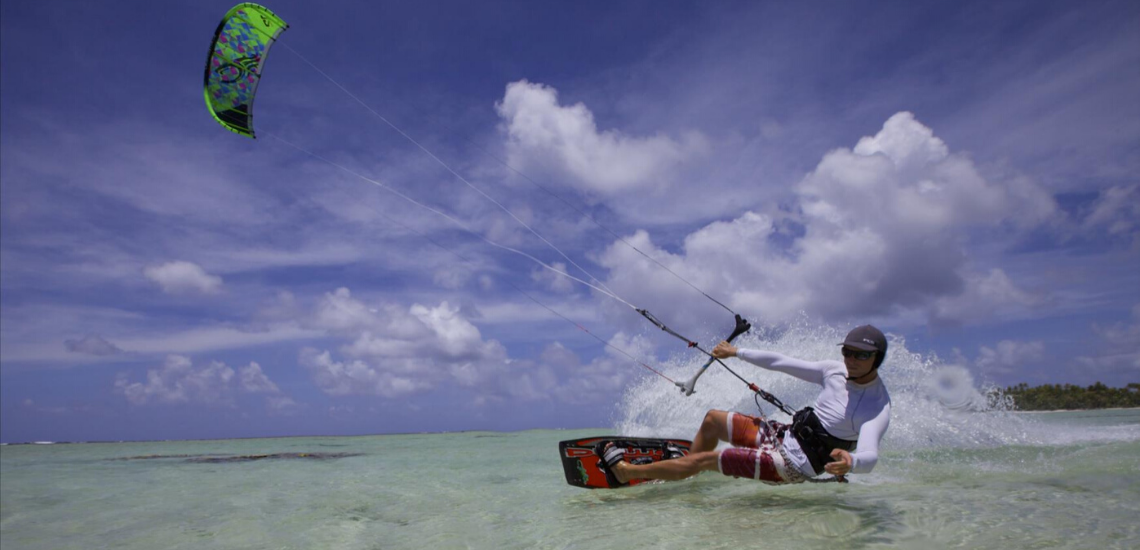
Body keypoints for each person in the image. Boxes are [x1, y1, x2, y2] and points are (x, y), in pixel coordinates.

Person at [599, 325, 892, 486]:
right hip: (782, 436)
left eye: (861, 355)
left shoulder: (877, 406)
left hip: (790, 466)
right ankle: (685, 473)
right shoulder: (833, 371)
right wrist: (736, 352)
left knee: (706, 459)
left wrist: (852, 462)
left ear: (876, 359)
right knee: (713, 419)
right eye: (847, 351)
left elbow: (870, 454)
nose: (851, 359)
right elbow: (781, 362)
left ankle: (627, 472)